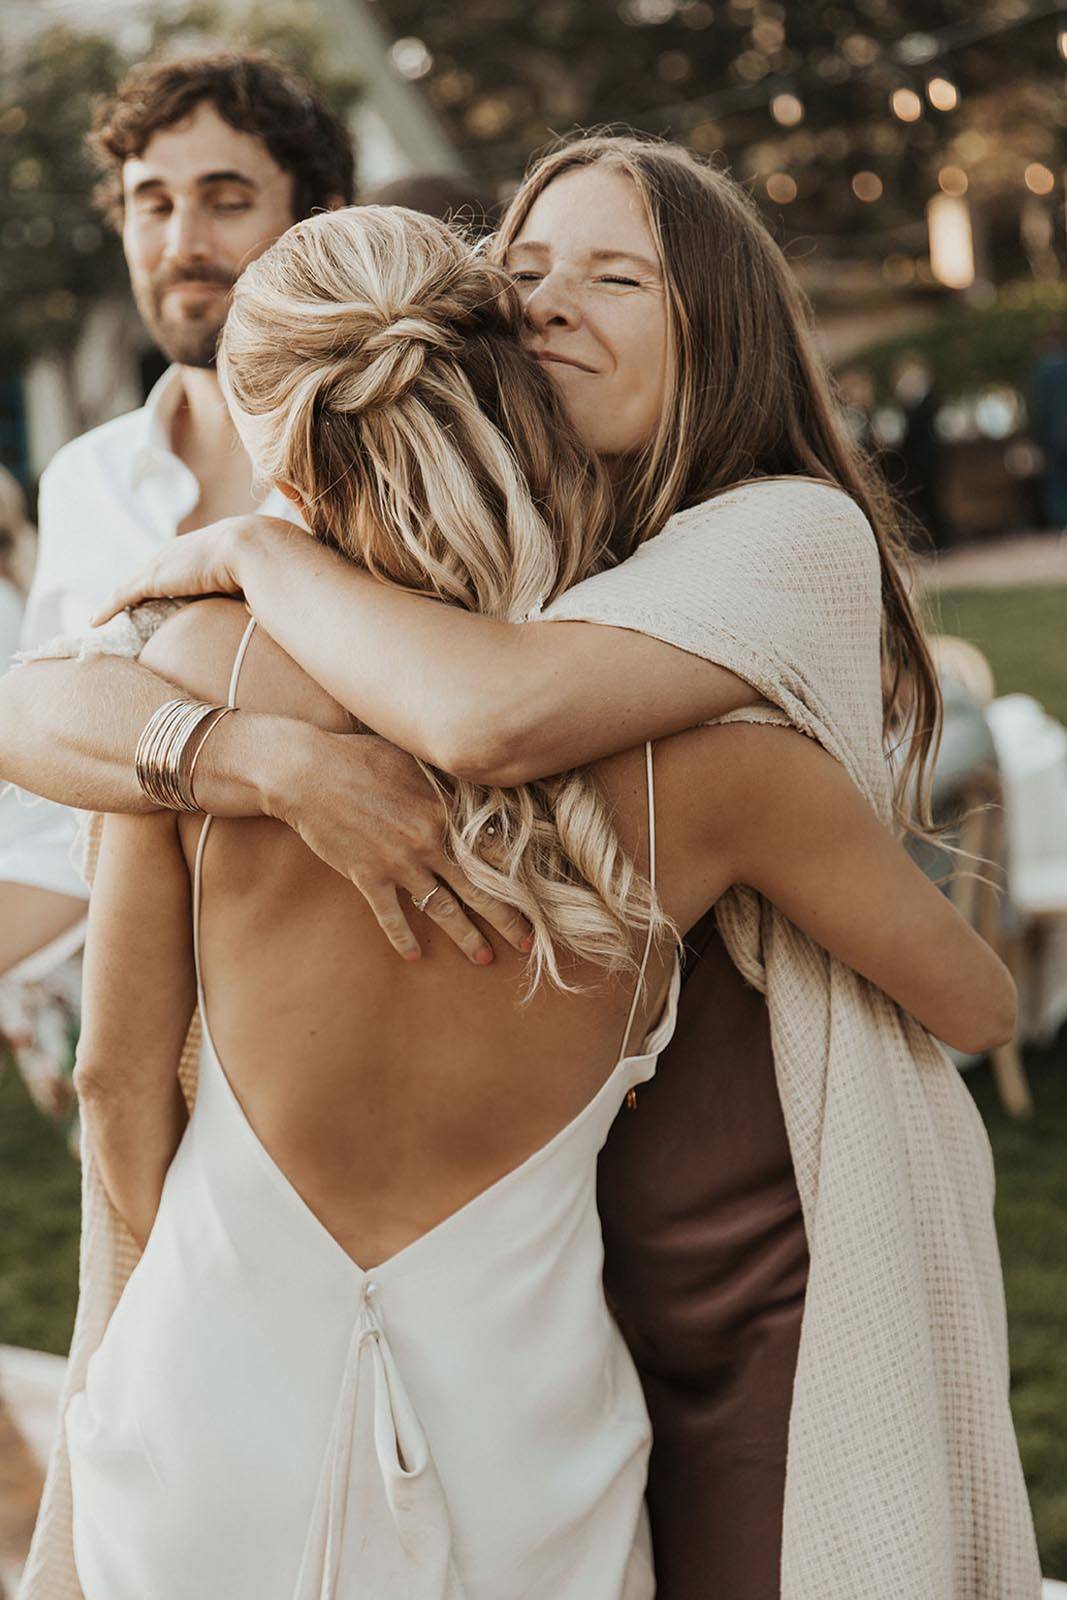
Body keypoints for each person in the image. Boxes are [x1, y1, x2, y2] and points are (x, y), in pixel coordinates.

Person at [4, 138, 1041, 1599]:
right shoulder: (726, 773)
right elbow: (972, 999)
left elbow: (120, 1073)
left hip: (307, 1357)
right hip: (535, 1395)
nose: (551, 306)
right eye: (523, 276)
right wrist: (264, 756)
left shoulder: (221, 652)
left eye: (614, 276)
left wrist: (258, 559)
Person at [0, 48, 355, 983]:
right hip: (143, 1009)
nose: (180, 241)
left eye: (227, 198)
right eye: (152, 203)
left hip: (365, 975)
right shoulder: (85, 479)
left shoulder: (393, 460)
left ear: (317, 221)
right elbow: (50, 813)